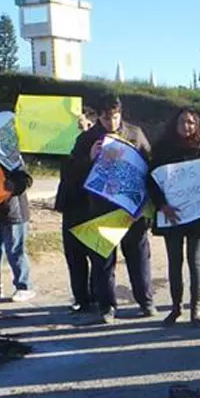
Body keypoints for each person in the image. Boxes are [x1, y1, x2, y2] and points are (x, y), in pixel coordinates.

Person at [67, 93, 155, 324]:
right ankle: (107, 306)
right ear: (98, 117)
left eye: (115, 117)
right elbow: (70, 174)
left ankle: (146, 301)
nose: (112, 123)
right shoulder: (87, 139)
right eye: (106, 119)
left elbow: (150, 165)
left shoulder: (135, 134)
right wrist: (89, 158)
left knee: (139, 257)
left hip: (132, 210)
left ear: (121, 114)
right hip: (100, 210)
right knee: (103, 262)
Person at [148, 108, 200, 328]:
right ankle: (176, 307)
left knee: (195, 262)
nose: (186, 126)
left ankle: (196, 309)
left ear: (197, 125)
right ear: (174, 124)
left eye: (191, 122)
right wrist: (162, 205)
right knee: (174, 262)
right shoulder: (162, 148)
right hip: (172, 214)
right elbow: (151, 179)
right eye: (182, 122)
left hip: (197, 215)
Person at [54, 110, 100, 313]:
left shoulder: (103, 147)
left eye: (88, 126)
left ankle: (97, 296)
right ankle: (81, 298)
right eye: (80, 127)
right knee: (74, 256)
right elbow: (69, 174)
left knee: (97, 256)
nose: (84, 131)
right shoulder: (70, 150)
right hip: (72, 206)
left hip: (94, 208)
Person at [0, 156, 35, 305]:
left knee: (15, 250)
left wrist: (13, 185)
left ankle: (24, 287)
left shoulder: (10, 155)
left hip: (13, 212)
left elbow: (26, 180)